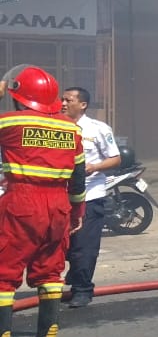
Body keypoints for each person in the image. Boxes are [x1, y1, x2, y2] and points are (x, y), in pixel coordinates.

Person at [0, 65, 86, 337]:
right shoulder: (71, 128)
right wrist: (77, 213)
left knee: (4, 271)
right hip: (58, 206)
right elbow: (78, 178)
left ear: (18, 96)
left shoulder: (10, 122)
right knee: (50, 272)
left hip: (22, 201)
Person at [61, 86, 121, 309]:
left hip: (90, 196)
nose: (63, 104)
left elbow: (114, 159)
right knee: (59, 245)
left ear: (83, 104)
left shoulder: (97, 129)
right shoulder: (57, 126)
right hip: (61, 196)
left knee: (83, 246)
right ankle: (73, 275)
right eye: (62, 100)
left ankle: (83, 289)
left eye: (68, 100)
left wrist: (93, 167)